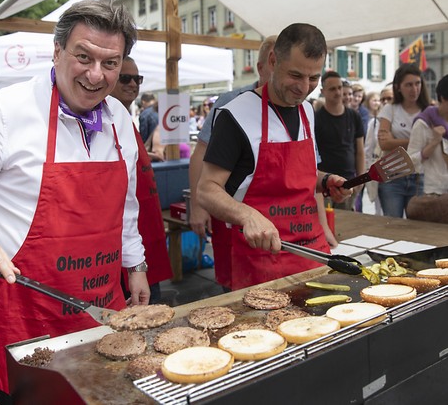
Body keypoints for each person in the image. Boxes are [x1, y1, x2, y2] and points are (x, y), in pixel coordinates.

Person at [0, 0, 150, 402]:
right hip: (23, 318)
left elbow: (125, 207)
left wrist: (135, 265)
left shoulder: (119, 120)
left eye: (110, 64)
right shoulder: (3, 113)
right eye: (83, 57)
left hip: (102, 308)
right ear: (56, 52)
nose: (95, 75)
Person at [197, 23, 352, 290]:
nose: (304, 88)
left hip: (312, 255)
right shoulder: (235, 115)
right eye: (296, 75)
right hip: (263, 262)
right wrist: (246, 215)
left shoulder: (308, 112)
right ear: (272, 60)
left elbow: (298, 175)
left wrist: (325, 181)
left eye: (313, 78)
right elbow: (207, 189)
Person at [189, 35, 277, 290]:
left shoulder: (298, 107)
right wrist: (198, 207)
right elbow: (200, 154)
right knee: (235, 286)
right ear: (261, 67)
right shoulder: (230, 103)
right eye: (275, 63)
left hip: (276, 218)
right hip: (232, 212)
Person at [110, 56, 173, 303]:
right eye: (126, 78)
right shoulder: (105, 123)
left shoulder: (128, 121)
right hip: (123, 246)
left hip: (146, 233)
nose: (133, 84)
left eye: (138, 79)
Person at [377, 63, 430, 217]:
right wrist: (417, 142)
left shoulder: (429, 110)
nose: (414, 89)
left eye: (417, 83)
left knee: (419, 229)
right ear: (398, 87)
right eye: (408, 85)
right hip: (393, 176)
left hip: (419, 176)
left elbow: (434, 144)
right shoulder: (390, 109)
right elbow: (384, 143)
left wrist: (397, 140)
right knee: (392, 226)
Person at [315, 71, 365, 211]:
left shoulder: (354, 116)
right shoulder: (316, 119)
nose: (337, 92)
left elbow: (360, 150)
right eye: (332, 89)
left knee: (348, 226)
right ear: (323, 91)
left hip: (349, 181)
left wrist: (360, 180)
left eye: (339, 87)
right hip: (325, 184)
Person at [406, 74, 448, 223]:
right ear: (443, 98)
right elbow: (409, 162)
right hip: (430, 196)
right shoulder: (424, 123)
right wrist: (434, 143)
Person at [363, 91, 383, 214]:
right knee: (379, 208)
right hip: (379, 168)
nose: (385, 101)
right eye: (383, 98)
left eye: (389, 98)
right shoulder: (374, 123)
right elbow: (368, 148)